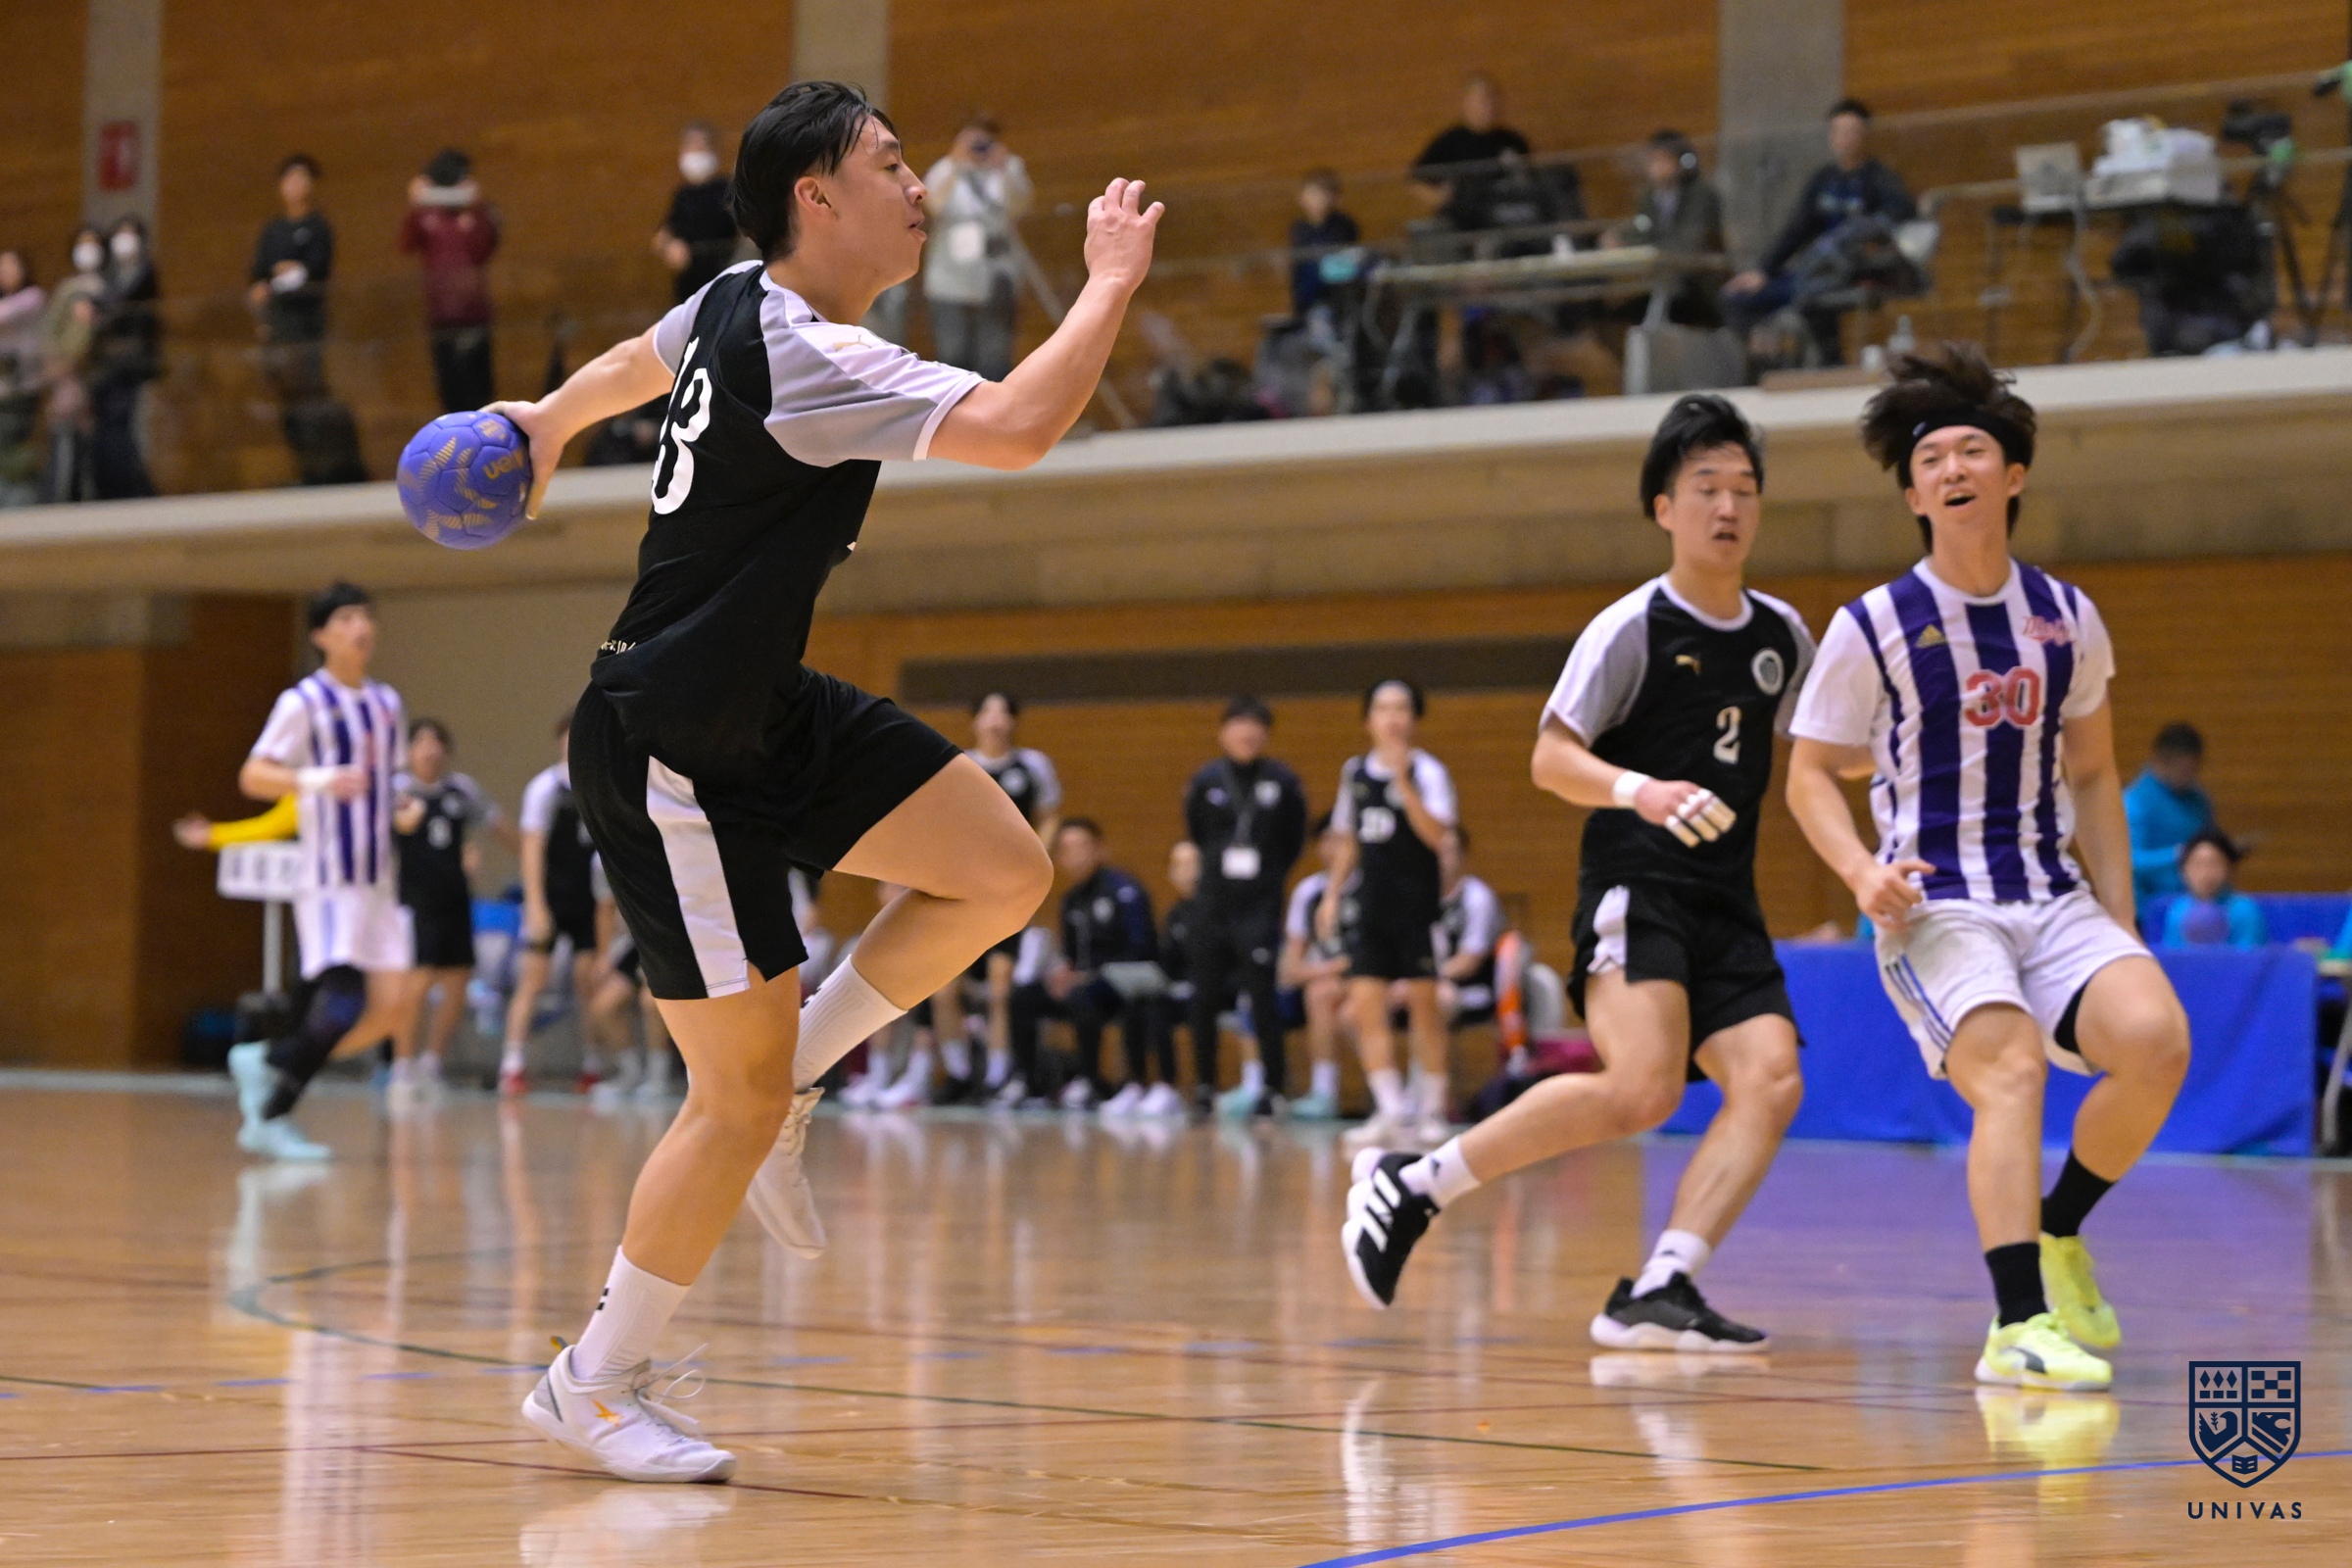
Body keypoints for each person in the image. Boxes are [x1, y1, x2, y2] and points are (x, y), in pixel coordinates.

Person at [487, 80, 1157, 1483]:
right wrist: (1106, 285)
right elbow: (1019, 426)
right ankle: (591, 1382)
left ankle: (800, 1073)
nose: (919, 188)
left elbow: (635, 360)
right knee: (724, 1104)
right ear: (818, 197)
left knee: (1001, 870)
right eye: (893, 165)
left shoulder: (733, 302)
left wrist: (549, 420)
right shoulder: (806, 349)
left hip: (762, 708)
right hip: (669, 746)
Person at [1340, 396, 1812, 1355]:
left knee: (1770, 1079)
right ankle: (1413, 1183)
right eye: (1706, 488)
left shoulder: (1782, 638)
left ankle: (1663, 1284)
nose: (1728, 507)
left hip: (1729, 898)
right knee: (1641, 1088)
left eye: (1744, 489)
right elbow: (1550, 759)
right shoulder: (1633, 626)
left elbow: (1816, 756)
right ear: (1664, 508)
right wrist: (1641, 790)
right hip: (1641, 884)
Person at [1783, 344, 2190, 1392]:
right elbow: (1810, 774)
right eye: (1932, 460)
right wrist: (1859, 873)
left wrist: (2120, 919)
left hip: (2051, 895)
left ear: (2013, 476)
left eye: (1973, 451)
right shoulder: (1873, 624)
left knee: (2156, 1041)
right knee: (2008, 1069)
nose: (1952, 468)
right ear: (1914, 495)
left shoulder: (2066, 616)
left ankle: (2059, 1228)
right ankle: (2016, 1326)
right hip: (1936, 906)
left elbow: (2094, 774)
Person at [223, 583, 422, 1159]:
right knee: (341, 1004)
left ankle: (268, 1060)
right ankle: (272, 1115)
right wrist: (315, 779)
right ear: (320, 635)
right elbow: (254, 775)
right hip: (330, 877)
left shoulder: (386, 702)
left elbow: (392, 778)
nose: (361, 626)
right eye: (346, 617)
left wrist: (402, 806)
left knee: (392, 1009)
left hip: (378, 879)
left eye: (366, 615)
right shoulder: (303, 702)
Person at [1324, 680, 1458, 1150]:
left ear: (1414, 718)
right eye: (1383, 708)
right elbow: (1348, 839)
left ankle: (1432, 1110)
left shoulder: (1429, 771)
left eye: (1401, 708)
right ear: (1369, 719)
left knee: (1425, 1010)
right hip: (1370, 906)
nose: (1393, 717)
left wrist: (1403, 782)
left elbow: (1437, 834)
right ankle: (1390, 1109)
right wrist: (1332, 895)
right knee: (1366, 1008)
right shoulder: (1354, 772)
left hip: (1417, 908)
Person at [1182, 695, 1308, 1114]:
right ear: (1223, 733)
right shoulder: (1206, 781)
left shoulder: (1282, 782)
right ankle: (1205, 1085)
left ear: (1266, 735)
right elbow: (1197, 831)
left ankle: (1272, 1087)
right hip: (1212, 903)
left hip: (1259, 905)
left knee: (1262, 994)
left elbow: (1293, 840)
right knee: (1204, 995)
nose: (1247, 734)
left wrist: (1267, 876)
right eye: (1239, 725)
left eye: (1255, 727)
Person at [1723, 100, 1915, 366]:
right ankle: (1768, 363)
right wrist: (1763, 270)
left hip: (1854, 271)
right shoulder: (1824, 179)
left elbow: (1900, 215)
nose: (1844, 138)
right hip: (1815, 268)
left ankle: (1830, 363)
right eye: (1837, 131)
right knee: (1736, 298)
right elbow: (1796, 229)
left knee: (1813, 297)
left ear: (1864, 135)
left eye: (1851, 131)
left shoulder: (1880, 179)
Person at [1009, 818, 1177, 1114]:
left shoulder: (1124, 890)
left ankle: (1089, 1080)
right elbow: (1072, 955)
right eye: (1066, 849)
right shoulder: (1070, 900)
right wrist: (1061, 973)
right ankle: (1029, 1082)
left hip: (1121, 981)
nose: (1074, 855)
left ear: (1100, 850)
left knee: (1082, 995)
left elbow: (1141, 948)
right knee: (1023, 996)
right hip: (1084, 982)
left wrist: (1086, 975)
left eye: (1081, 847)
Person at [392, 718, 508, 1091]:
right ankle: (402, 1064)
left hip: (455, 898)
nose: (430, 750)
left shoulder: (461, 790)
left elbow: (496, 825)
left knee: (458, 978)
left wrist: (528, 853)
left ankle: (433, 1062)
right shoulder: (397, 791)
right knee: (418, 980)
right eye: (422, 742)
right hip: (414, 901)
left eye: (437, 742)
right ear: (408, 751)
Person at [501, 716, 604, 1096]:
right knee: (533, 979)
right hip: (551, 899)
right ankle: (513, 1064)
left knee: (588, 982)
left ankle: (592, 1065)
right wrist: (535, 905)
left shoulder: (601, 787)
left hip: (588, 902)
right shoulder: (545, 788)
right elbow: (531, 848)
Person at [249, 154, 366, 484]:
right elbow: (259, 275)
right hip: (278, 326)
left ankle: (325, 470)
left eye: (301, 179)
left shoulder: (318, 227)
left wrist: (286, 276)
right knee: (286, 398)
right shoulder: (273, 230)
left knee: (310, 394)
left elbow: (313, 272)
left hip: (307, 326)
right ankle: (303, 467)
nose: (295, 186)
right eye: (289, 179)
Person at [921, 115, 1033, 382]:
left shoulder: (1008, 167)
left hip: (996, 273)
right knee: (953, 352)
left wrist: (1002, 168)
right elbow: (933, 204)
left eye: (986, 141)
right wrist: (957, 163)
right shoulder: (945, 169)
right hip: (950, 275)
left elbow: (1019, 206)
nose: (980, 147)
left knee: (995, 352)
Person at [400, 148, 502, 413]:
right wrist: (415, 203)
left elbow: (484, 250)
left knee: (479, 386)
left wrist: (476, 208)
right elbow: (406, 244)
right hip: (440, 315)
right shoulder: (427, 214)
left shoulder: (477, 213)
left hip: (474, 313)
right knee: (449, 386)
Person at [1274, 814, 1353, 1120]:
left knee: (1352, 1006)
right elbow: (1290, 968)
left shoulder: (1374, 887)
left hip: (1377, 979)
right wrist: (1337, 968)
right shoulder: (1307, 892)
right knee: (1321, 993)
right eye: (1326, 840)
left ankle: (1398, 1095)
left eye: (1340, 840)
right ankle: (1323, 1092)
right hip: (1332, 980)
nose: (1333, 848)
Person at [1607, 130, 1727, 328]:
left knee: (1657, 313)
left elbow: (1691, 243)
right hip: (1660, 284)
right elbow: (1643, 229)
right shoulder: (1648, 196)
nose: (1657, 167)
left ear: (1682, 162)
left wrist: (1651, 251)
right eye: (1653, 160)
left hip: (1696, 286)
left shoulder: (1701, 194)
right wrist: (1621, 237)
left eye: (1663, 159)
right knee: (1613, 315)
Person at [1409, 73, 1534, 237]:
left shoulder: (1512, 141)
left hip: (1506, 221)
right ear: (1467, 103)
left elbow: (1532, 179)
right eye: (1482, 100)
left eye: (1492, 99)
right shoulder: (1450, 141)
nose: (1488, 105)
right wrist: (1441, 199)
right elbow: (1415, 179)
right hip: (1461, 225)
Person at [89, 217, 159, 498]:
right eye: (119, 234)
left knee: (124, 425)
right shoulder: (109, 277)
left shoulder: (145, 272)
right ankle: (109, 487)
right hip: (106, 366)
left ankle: (135, 489)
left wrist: (100, 313)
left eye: (130, 234)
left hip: (132, 364)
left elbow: (121, 306)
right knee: (105, 426)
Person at [39, 227, 107, 503]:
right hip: (66, 377)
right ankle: (61, 500)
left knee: (92, 446)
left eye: (93, 244)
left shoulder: (107, 287)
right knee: (65, 441)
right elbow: (51, 331)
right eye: (82, 244)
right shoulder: (67, 290)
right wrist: (58, 367)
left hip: (98, 377)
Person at [2124, 722, 2214, 905]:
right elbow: (2128, 861)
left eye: (2195, 769)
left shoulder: (2198, 800)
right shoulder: (2134, 803)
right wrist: (2178, 854)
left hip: (2194, 903)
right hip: (2149, 905)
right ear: (2162, 761)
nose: (2191, 776)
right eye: (2185, 770)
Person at [655, 122, 740, 304]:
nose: (694, 153)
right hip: (689, 288)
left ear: (713, 151)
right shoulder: (682, 195)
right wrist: (668, 246)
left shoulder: (729, 191)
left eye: (700, 147)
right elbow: (665, 233)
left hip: (723, 283)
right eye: (690, 147)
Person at [1433, 826, 1505, 1027]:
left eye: (1447, 851)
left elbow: (1469, 960)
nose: (1440, 859)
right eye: (1435, 850)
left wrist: (1424, 979)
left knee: (1436, 998)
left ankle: (1430, 1051)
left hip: (1473, 988)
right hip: (1428, 982)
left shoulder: (1477, 898)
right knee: (1366, 1001)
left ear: (1463, 856)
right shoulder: (1419, 898)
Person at [2160, 829, 2266, 948]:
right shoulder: (2178, 910)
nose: (2205, 873)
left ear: (2229, 868)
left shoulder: (2244, 910)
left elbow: (2250, 955)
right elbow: (2171, 954)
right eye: (2197, 864)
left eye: (2214, 864)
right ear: (2183, 870)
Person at [0, 249, 47, 507]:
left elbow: (6, 316)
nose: (5, 272)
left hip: (24, 387)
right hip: (3, 387)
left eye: (11, 266)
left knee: (13, 440)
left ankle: (26, 496)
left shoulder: (33, 297)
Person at [1289, 169, 1361, 321]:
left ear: (1333, 197)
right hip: (1307, 300)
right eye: (1311, 193)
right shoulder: (1299, 229)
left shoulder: (1343, 226)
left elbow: (1346, 263)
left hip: (1336, 298)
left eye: (1322, 194)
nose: (1317, 199)